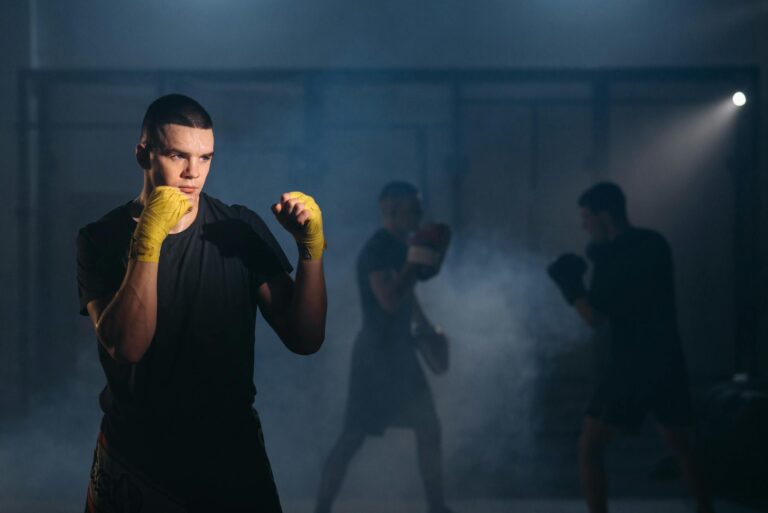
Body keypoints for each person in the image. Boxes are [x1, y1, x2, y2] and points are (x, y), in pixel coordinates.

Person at [76, 94, 327, 512]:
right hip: (139, 453)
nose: (193, 173)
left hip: (230, 450)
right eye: (178, 155)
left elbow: (305, 338)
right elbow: (127, 346)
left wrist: (311, 252)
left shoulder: (238, 228)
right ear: (144, 153)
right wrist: (148, 240)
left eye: (205, 157)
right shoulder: (100, 238)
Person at [547, 182, 714, 513]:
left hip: (630, 366)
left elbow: (594, 317)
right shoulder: (654, 243)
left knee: (589, 448)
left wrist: (572, 288)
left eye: (586, 217)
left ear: (604, 215)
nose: (584, 225)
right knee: (683, 447)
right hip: (668, 360)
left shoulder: (614, 256)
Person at [314, 182, 453, 513]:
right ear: (391, 209)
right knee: (352, 437)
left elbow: (408, 294)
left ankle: (437, 508)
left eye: (419, 210)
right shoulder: (377, 249)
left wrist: (424, 324)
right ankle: (320, 510)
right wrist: (415, 263)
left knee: (429, 429)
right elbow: (389, 299)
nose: (419, 217)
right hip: (375, 356)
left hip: (400, 350)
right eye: (413, 210)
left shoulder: (403, 244)